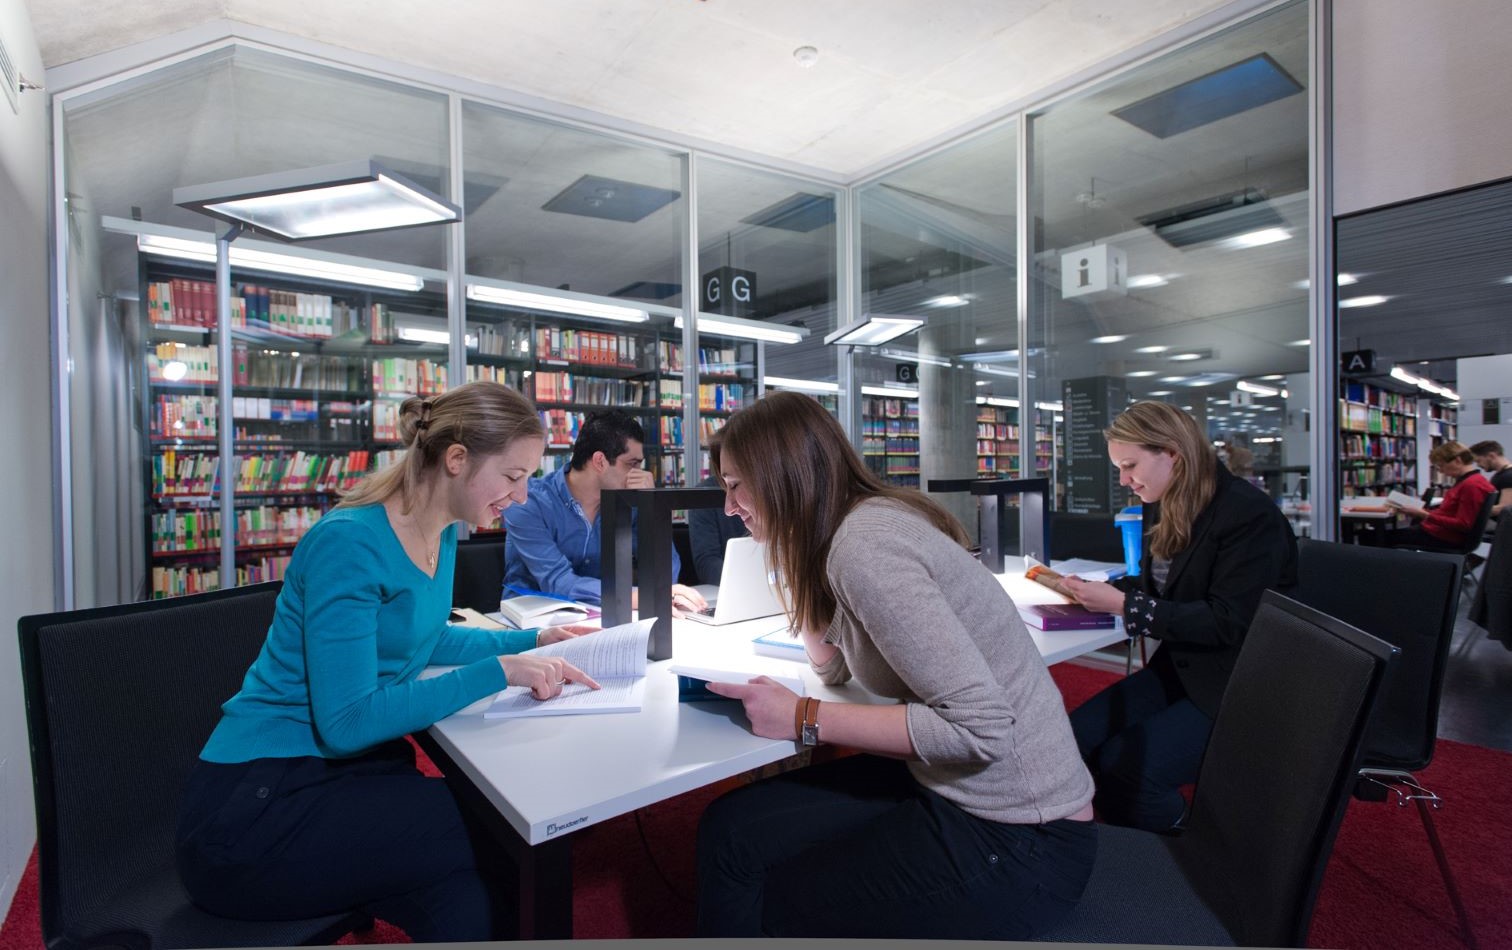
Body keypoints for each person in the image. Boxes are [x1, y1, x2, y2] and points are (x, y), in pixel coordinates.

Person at [175, 381, 602, 943]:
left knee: (474, 897)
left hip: (342, 774)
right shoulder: (349, 543)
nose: (521, 498)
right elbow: (347, 721)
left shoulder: (440, 532)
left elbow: (422, 642)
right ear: (456, 460)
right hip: (257, 809)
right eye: (513, 477)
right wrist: (497, 671)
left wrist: (536, 641)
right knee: (504, 827)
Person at [693, 391, 1096, 940]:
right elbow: (833, 667)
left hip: (1022, 836)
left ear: (782, 476)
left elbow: (981, 729)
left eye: (736, 485)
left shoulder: (865, 548)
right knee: (731, 829)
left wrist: (799, 717)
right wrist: (791, 559)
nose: (727, 507)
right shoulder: (852, 530)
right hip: (961, 790)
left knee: (777, 889)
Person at [1059, 401, 1297, 834]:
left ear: (1172, 453)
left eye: (1130, 465)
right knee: (1071, 739)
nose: (1124, 480)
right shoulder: (1164, 500)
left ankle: (1193, 857)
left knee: (1127, 768)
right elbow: (1165, 590)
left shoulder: (1249, 515)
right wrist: (1101, 593)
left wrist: (1123, 606)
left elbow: (1229, 622)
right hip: (1183, 669)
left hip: (1241, 682)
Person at [504, 408, 706, 614]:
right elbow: (558, 582)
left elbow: (666, 575)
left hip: (601, 614)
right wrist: (647, 596)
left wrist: (650, 504)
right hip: (531, 620)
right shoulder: (527, 502)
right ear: (600, 461)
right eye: (632, 464)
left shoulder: (628, 502)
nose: (640, 473)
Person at [1386, 440, 1495, 550]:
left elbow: (1464, 524)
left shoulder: (1471, 485)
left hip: (1443, 537)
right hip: (1439, 533)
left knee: (1378, 538)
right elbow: (1449, 514)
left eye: (1441, 466)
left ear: (1457, 460)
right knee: (1383, 535)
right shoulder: (1469, 481)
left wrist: (1425, 515)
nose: (1441, 471)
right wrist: (1422, 513)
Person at [1469, 439, 1512, 518]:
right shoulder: (1500, 475)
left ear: (1491, 456)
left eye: (1479, 461)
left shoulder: (1508, 477)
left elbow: (1505, 508)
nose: (1478, 465)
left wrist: (1472, 511)